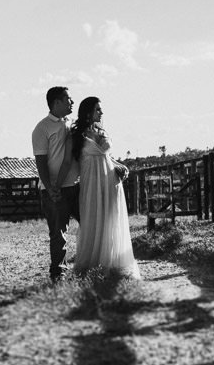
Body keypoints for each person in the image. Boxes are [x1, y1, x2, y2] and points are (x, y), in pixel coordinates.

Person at [69, 96, 140, 279]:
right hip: (91, 182)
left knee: (110, 220)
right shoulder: (76, 134)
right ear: (88, 112)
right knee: (93, 219)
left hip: (110, 180)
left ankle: (112, 263)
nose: (101, 112)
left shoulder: (102, 131)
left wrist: (120, 166)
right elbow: (74, 160)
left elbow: (106, 157)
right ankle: (90, 265)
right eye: (98, 109)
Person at [32, 86, 81, 282]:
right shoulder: (42, 128)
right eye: (69, 99)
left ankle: (89, 263)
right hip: (54, 189)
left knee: (89, 223)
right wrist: (51, 188)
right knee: (58, 232)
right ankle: (58, 272)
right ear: (57, 102)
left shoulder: (72, 123)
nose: (72, 102)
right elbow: (41, 161)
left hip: (76, 185)